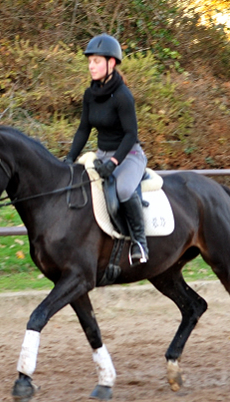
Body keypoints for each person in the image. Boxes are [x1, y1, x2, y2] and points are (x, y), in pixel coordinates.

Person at [64, 33, 149, 265]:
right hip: (101, 154)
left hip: (128, 155)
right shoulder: (90, 94)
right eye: (89, 61)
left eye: (97, 61)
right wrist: (70, 157)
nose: (91, 66)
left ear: (111, 63)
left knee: (122, 190)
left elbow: (131, 135)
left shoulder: (123, 96)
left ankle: (140, 242)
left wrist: (113, 163)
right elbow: (83, 130)